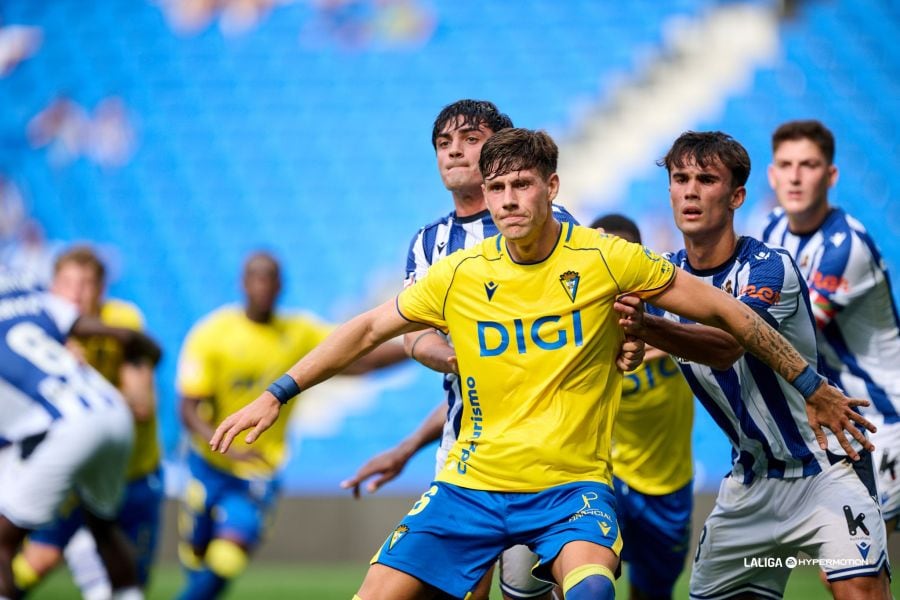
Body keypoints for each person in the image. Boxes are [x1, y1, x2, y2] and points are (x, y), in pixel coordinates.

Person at [211, 128, 874, 600]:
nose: (506, 200)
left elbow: (731, 316)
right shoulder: (458, 274)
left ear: (551, 187)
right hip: (469, 489)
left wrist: (809, 383)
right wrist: (278, 393)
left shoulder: (604, 259)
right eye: (496, 187)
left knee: (590, 590)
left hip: (570, 491)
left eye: (521, 185)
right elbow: (363, 329)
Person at [340, 99, 601, 600]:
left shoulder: (557, 223)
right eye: (443, 143)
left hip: (547, 448)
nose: (454, 151)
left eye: (469, 139)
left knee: (530, 589)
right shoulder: (428, 243)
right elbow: (414, 333)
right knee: (461, 590)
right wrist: (451, 356)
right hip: (464, 446)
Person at [615, 131, 890, 599]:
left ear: (736, 196)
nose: (691, 191)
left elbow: (726, 345)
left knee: (859, 587)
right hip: (748, 486)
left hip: (824, 469)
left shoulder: (768, 268)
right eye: (680, 179)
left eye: (707, 179)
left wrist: (645, 329)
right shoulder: (659, 279)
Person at [175, 250, 406, 600]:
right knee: (196, 557)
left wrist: (415, 347)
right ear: (244, 283)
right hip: (208, 465)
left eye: (270, 280)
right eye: (257, 279)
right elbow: (189, 408)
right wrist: (222, 445)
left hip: (258, 469)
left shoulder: (298, 332)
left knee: (229, 556)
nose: (263, 287)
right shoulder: (212, 334)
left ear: (281, 286)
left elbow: (360, 359)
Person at [762, 119, 900, 531]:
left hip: (888, 422)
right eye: (785, 165)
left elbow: (785, 330)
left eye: (809, 164)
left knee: (844, 562)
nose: (796, 176)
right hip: (850, 425)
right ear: (772, 175)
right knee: (848, 569)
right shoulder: (771, 229)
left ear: (831, 174)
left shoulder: (846, 247)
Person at [0, 268, 161, 600]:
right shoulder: (38, 301)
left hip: (66, 426)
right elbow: (124, 336)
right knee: (103, 527)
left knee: (3, 543)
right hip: (111, 411)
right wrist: (152, 350)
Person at [590, 214, 694, 600]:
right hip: (605, 478)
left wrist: (652, 340)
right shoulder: (579, 320)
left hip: (668, 484)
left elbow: (718, 330)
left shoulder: (672, 306)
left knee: (652, 592)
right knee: (584, 579)